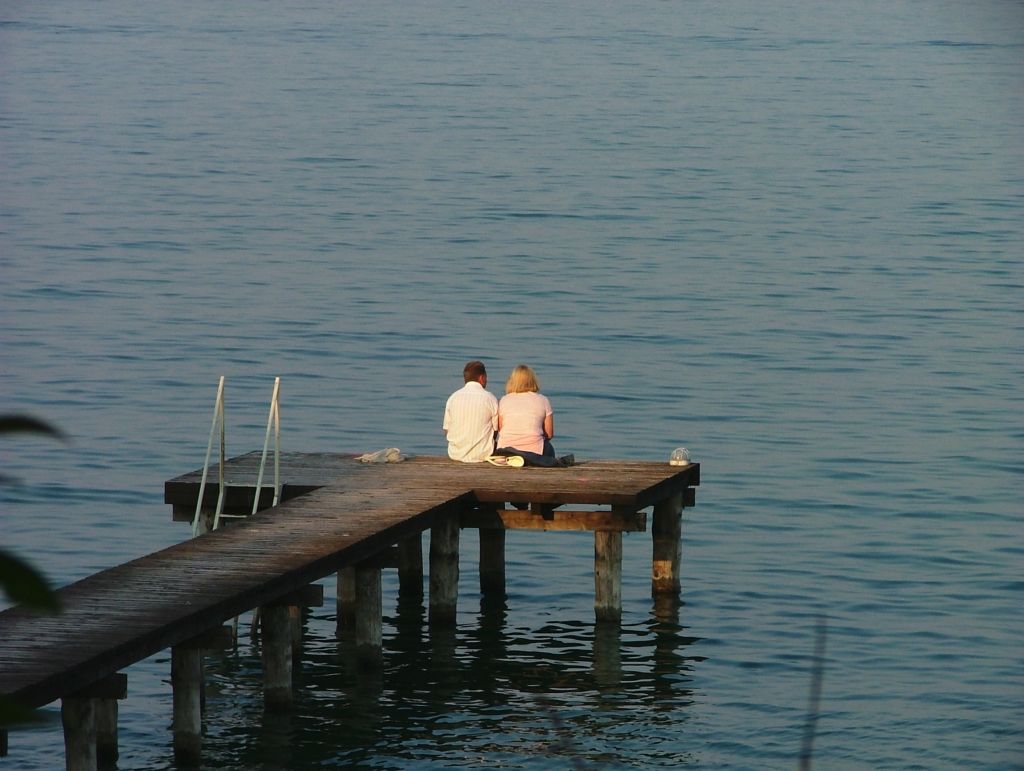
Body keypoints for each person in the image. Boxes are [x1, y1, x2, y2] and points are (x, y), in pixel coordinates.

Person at [443, 360, 498, 462]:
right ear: (482, 378)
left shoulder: (453, 398)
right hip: (483, 454)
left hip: (456, 454)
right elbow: (496, 430)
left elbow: (446, 430)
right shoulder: (490, 398)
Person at [496, 364, 555, 457]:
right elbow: (549, 434)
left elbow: (500, 429)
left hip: (506, 450)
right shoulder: (543, 400)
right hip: (535, 452)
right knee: (549, 448)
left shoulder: (504, 400)